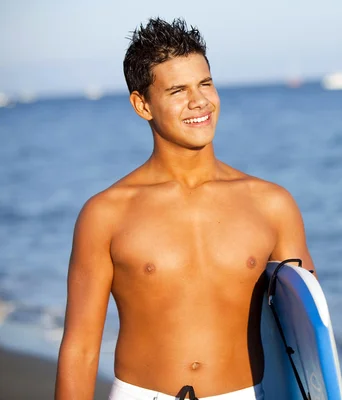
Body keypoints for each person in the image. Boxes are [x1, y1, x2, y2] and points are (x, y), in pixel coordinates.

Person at [55, 17, 315, 400]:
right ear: (142, 104)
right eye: (177, 90)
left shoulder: (271, 204)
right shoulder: (106, 214)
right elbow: (79, 349)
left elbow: (308, 336)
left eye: (205, 84)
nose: (199, 102)